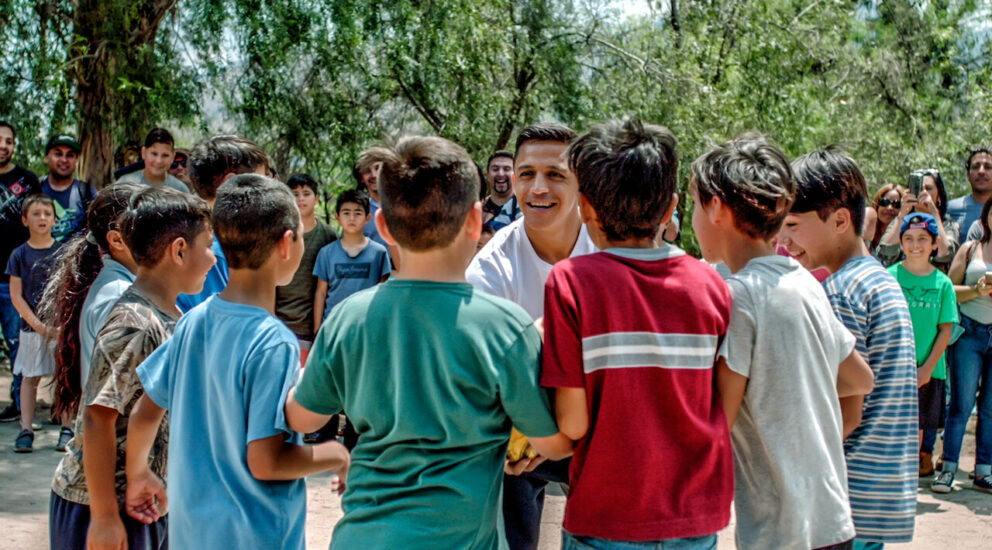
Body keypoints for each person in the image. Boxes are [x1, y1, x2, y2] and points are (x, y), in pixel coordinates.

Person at [284, 135, 572, 549]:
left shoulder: (350, 317)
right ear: (476, 221)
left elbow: (302, 419)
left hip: (362, 538)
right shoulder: (506, 328)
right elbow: (551, 442)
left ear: (382, 227)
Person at [124, 174, 349, 549]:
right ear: (287, 243)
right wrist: (336, 454)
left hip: (191, 533)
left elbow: (143, 414)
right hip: (256, 536)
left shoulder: (192, 322)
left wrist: (139, 475)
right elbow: (266, 461)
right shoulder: (274, 341)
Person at [541, 118, 734, 549]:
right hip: (694, 518)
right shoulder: (712, 285)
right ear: (670, 208)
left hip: (606, 518)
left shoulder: (571, 282)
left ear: (585, 206)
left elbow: (573, 422)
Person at [692, 134, 874, 550]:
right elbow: (859, 380)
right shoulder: (805, 283)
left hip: (778, 531)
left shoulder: (739, 296)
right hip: (832, 519)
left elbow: (719, 416)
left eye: (694, 205)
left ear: (717, 208)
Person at [49, 186, 215, 550]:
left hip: (143, 502)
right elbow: (97, 417)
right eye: (208, 245)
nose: (214, 259)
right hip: (103, 504)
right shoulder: (134, 323)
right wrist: (105, 517)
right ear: (180, 250)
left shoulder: (171, 314)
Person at [778, 147, 918, 547]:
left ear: (840, 220)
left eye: (792, 224)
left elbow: (847, 414)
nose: (784, 239)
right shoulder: (879, 280)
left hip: (845, 495)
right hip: (879, 490)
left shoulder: (840, 293)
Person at [466, 123, 597, 550]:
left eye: (555, 174)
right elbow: (483, 373)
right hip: (519, 427)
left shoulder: (610, 249)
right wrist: (536, 432)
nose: (538, 187)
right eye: (526, 174)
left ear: (582, 182)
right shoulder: (490, 267)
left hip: (599, 423)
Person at [39, 182, 143, 432]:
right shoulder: (119, 298)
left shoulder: (121, 288)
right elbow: (104, 411)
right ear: (117, 239)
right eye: (151, 227)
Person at [886, 213, 958, 480]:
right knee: (888, 426)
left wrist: (927, 369)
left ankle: (906, 481)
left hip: (926, 371)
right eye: (908, 239)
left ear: (934, 243)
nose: (915, 245)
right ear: (901, 242)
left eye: (922, 239)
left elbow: (946, 330)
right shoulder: (888, 276)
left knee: (915, 428)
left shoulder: (943, 284)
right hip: (891, 367)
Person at [935, 197, 992, 494]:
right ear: (986, 217)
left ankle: (984, 471)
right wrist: (977, 289)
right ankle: (948, 469)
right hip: (969, 332)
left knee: (990, 408)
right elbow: (949, 289)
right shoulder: (972, 249)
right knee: (960, 404)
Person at [175, 134, 271, 311]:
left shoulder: (182, 226)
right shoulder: (213, 248)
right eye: (260, 182)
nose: (266, 192)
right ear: (230, 183)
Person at [6, 195, 67, 452]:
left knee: (64, 379)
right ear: (24, 220)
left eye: (46, 213)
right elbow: (16, 296)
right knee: (30, 379)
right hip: (32, 329)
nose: (42, 218)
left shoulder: (64, 252)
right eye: (36, 213)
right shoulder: (19, 255)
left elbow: (70, 290)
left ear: (54, 219)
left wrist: (63, 325)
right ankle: (26, 429)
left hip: (62, 328)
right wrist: (41, 327)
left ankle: (67, 428)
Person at [0, 120, 41, 424]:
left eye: (8, 141)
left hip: (13, 277)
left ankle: (17, 403)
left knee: (17, 342)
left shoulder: (27, 180)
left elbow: (39, 220)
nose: (3, 146)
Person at [275, 174, 337, 364]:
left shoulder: (328, 235)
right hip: (280, 320)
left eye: (306, 193)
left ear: (317, 199)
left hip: (312, 325)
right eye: (295, 194)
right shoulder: (278, 233)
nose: (300, 199)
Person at [313, 189, 390, 328]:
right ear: (337, 216)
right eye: (346, 213)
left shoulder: (379, 253)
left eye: (358, 213)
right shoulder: (326, 253)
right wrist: (317, 331)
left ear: (368, 217)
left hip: (367, 326)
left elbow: (383, 294)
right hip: (333, 326)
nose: (352, 218)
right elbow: (321, 294)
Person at [875, 170, 959, 272]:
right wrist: (902, 213)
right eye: (918, 188)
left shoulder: (948, 224)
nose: (922, 193)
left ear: (939, 196)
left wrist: (934, 213)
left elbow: (944, 256)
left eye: (928, 188)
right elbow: (885, 253)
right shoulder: (902, 221)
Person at [39, 134, 96, 242]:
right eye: (58, 154)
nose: (64, 160)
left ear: (76, 161)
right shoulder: (35, 190)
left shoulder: (86, 192)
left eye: (70, 155)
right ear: (46, 158)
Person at [115, 128, 191, 193]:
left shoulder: (180, 190)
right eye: (154, 154)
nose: (159, 161)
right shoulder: (124, 185)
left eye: (165, 155)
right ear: (143, 153)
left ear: (172, 157)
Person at [948, 145, 992, 241]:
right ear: (968, 175)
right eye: (976, 167)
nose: (981, 171)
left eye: (988, 167)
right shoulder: (950, 209)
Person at [353, 152, 389, 251]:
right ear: (361, 179)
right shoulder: (356, 211)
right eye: (367, 171)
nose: (374, 175)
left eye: (377, 168)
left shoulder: (404, 203)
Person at [863, 183, 903, 253]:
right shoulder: (866, 234)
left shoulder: (907, 238)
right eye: (884, 202)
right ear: (877, 205)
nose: (889, 208)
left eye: (896, 204)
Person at [482, 150, 515, 228]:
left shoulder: (524, 210)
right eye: (495, 169)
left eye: (507, 169)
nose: (500, 174)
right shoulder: (476, 209)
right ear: (488, 175)